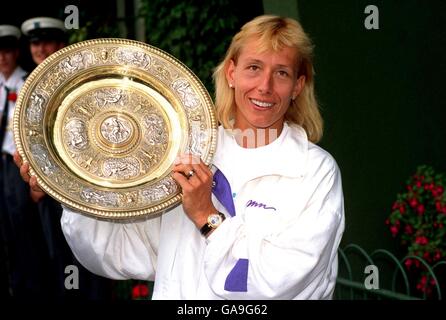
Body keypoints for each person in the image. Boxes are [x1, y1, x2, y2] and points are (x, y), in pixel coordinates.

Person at [16, 15, 345, 299]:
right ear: (231, 72)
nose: (265, 86)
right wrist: (72, 189)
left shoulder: (313, 171)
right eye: (254, 68)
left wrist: (207, 216)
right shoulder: (189, 152)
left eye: (282, 73)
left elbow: (274, 282)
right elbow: (122, 254)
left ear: (298, 86)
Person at [18, 17, 112, 300]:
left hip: (87, 186)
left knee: (95, 259)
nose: (41, 49)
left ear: (61, 45)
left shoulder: (82, 81)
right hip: (47, 191)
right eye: (36, 43)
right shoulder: (25, 88)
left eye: (47, 42)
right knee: (57, 259)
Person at [0, 24, 49, 298]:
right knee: (6, 230)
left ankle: (33, 289)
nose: (2, 57)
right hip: (2, 165)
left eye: (7, 51)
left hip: (19, 166)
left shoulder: (28, 82)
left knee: (25, 231)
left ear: (16, 52)